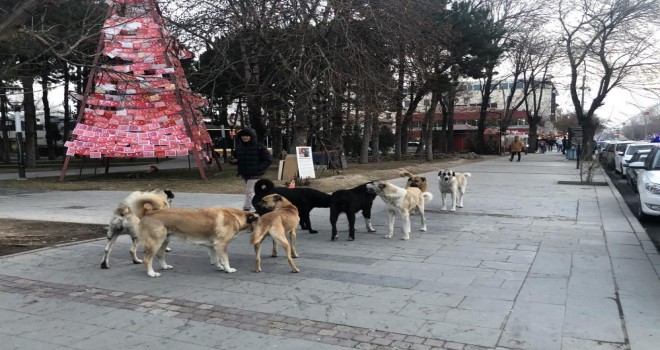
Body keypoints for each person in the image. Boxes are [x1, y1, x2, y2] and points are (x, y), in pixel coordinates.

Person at [228, 128, 273, 211]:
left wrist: (258, 168)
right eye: (243, 136)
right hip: (244, 173)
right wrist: (232, 160)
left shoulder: (259, 147)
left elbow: (268, 160)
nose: (245, 137)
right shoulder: (239, 147)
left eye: (247, 136)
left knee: (249, 191)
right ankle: (263, 206)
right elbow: (235, 159)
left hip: (256, 174)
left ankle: (247, 208)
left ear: (251, 136)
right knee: (254, 192)